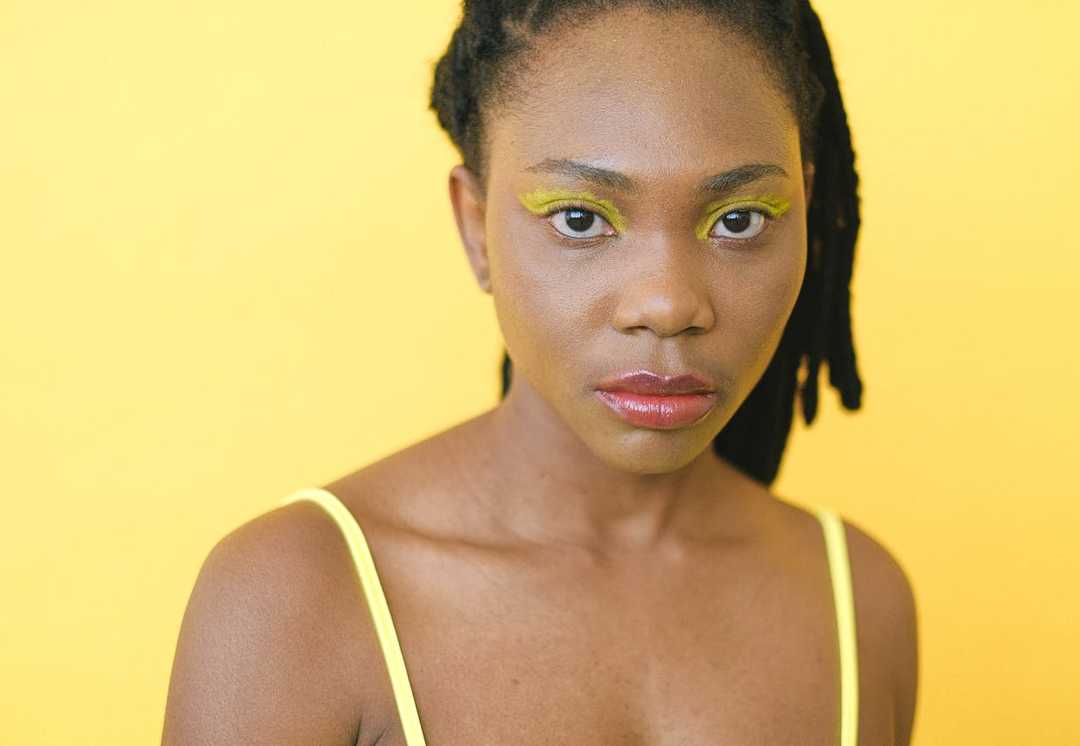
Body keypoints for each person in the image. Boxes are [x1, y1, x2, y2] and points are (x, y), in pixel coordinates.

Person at [162, 1, 919, 744]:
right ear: (474, 225)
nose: (668, 303)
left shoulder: (859, 600)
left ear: (808, 211)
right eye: (581, 218)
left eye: (740, 219)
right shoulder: (297, 600)